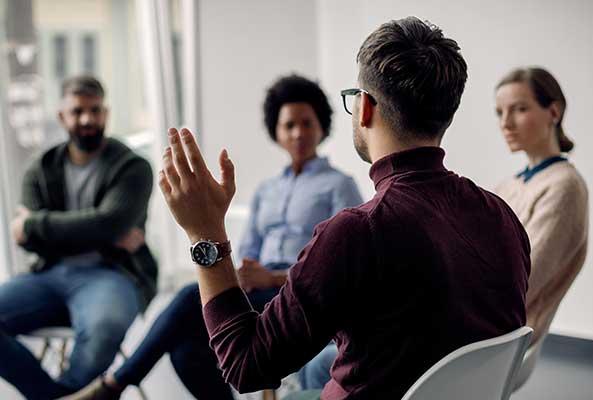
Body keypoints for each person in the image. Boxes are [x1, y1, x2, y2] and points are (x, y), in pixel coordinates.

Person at [157, 17, 531, 399]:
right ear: (446, 115)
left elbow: (246, 366)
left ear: (364, 107)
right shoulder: (502, 216)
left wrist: (205, 235)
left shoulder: (357, 232)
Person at [65, 74, 363, 399]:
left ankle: (113, 385)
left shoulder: (339, 185)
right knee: (185, 347)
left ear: (322, 126)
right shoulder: (266, 191)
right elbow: (246, 250)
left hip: (296, 294)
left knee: (186, 298)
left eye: (307, 123)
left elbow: (341, 267)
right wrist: (239, 275)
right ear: (276, 131)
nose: (298, 133)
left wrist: (274, 277)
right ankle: (113, 386)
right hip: (255, 290)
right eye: (289, 125)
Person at [0, 76, 158, 399]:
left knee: (105, 330)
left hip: (113, 274)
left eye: (95, 110)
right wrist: (102, 230)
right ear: (62, 116)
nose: (87, 119)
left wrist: (36, 225)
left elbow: (108, 222)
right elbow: (29, 240)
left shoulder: (134, 167)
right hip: (49, 274)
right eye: (77, 111)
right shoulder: (40, 169)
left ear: (106, 113)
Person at [494, 67, 588, 389]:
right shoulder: (509, 185)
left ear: (553, 111)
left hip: (495, 342)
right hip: (479, 326)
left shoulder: (565, 187)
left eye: (519, 109)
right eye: (499, 112)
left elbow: (520, 285)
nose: (505, 123)